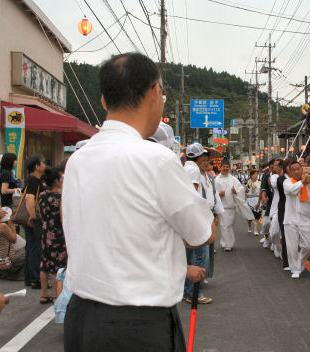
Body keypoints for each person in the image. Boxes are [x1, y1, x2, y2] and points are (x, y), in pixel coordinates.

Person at [62, 53, 215, 351]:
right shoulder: (156, 160)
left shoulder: (78, 159)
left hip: (81, 318)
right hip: (138, 325)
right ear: (155, 92)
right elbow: (202, 234)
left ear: (104, 101)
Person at [183, 143, 214, 305]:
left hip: (184, 218)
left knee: (188, 257)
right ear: (200, 157)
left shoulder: (184, 167)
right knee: (201, 257)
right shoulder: (194, 170)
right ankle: (194, 292)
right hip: (195, 217)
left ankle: (185, 291)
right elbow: (193, 194)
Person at [283, 161, 310, 279]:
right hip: (290, 220)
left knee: (308, 247)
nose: (296, 171)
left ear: (302, 170)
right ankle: (295, 269)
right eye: (293, 169)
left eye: (298, 169)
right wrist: (302, 182)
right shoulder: (287, 182)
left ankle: (300, 262)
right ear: (290, 172)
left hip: (304, 220)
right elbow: (291, 190)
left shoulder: (309, 184)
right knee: (292, 247)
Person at [37, 167, 66, 304]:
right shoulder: (60, 198)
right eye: (61, 178)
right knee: (57, 266)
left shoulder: (42, 195)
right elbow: (62, 218)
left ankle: (44, 294)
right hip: (57, 234)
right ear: (56, 181)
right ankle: (56, 295)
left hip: (45, 232)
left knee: (44, 264)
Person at [23, 154, 46, 290]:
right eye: (42, 163)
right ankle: (35, 279)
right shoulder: (34, 181)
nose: (44, 165)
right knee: (35, 248)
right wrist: (33, 217)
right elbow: (29, 199)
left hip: (28, 219)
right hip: (33, 218)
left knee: (30, 247)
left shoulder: (31, 180)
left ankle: (29, 277)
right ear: (37, 166)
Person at [215, 159, 244, 251]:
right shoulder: (217, 179)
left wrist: (236, 191)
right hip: (222, 206)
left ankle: (226, 242)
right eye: (224, 167)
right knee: (224, 225)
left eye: (227, 167)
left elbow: (240, 189)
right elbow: (213, 193)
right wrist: (219, 194)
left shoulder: (233, 179)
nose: (225, 168)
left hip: (231, 206)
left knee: (229, 225)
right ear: (221, 167)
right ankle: (227, 244)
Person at [0, 209, 24, 281]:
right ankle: (17, 275)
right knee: (29, 250)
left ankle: (5, 274)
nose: (3, 210)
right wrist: (13, 227)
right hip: (6, 262)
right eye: (0, 209)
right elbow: (13, 239)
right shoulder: (2, 226)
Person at [276, 159, 291, 270]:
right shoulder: (281, 180)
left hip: (296, 211)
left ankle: (294, 259)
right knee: (286, 235)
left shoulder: (299, 179)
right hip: (284, 210)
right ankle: (286, 262)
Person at [260, 160, 277, 248]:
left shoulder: (282, 176)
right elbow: (263, 188)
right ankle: (266, 238)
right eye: (273, 166)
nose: (275, 168)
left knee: (276, 225)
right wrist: (263, 197)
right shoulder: (266, 176)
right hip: (270, 202)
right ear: (270, 168)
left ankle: (275, 243)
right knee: (266, 223)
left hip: (280, 204)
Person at [268, 159, 283, 258]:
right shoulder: (274, 177)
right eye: (276, 165)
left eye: (279, 165)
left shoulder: (289, 177)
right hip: (276, 208)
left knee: (283, 232)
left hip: (287, 208)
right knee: (274, 231)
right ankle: (276, 245)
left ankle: (283, 251)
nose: (277, 167)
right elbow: (274, 184)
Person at [245, 170, 262, 235]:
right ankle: (249, 226)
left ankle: (256, 230)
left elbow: (261, 192)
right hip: (249, 200)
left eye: (257, 174)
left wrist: (260, 201)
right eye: (254, 175)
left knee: (257, 216)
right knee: (249, 217)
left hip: (257, 200)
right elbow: (245, 191)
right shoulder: (248, 183)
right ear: (251, 176)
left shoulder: (260, 183)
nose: (256, 176)